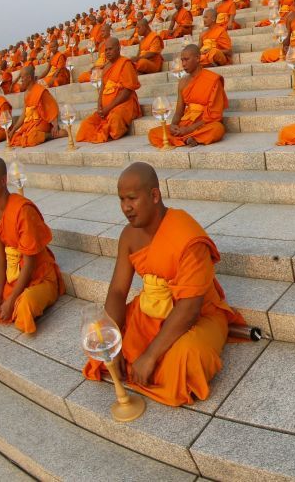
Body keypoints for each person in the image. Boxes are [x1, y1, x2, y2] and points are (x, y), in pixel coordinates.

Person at [82, 163, 246, 406]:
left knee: (185, 360)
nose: (125, 207)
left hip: (199, 315)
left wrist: (150, 356)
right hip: (150, 310)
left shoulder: (187, 235)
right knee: (102, 346)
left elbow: (190, 308)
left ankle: (151, 364)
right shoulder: (129, 235)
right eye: (121, 199)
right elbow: (118, 291)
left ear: (155, 195)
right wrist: (111, 340)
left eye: (132, 198)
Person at [0, 158, 64, 333]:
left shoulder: (23, 210)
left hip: (39, 278)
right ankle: (9, 308)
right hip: (15, 277)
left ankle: (14, 307)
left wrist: (10, 301)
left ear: (3, 181)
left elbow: (30, 262)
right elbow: (0, 259)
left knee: (24, 306)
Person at [149, 45, 227, 148]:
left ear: (198, 58)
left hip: (205, 123)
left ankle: (187, 138)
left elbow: (215, 115)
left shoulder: (213, 80)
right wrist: (173, 125)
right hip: (186, 122)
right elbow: (179, 112)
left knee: (218, 129)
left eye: (186, 60)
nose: (183, 64)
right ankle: (190, 139)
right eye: (182, 60)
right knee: (153, 133)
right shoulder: (182, 82)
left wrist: (189, 130)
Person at [75, 37, 141, 143]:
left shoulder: (125, 63)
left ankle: (104, 131)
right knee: (86, 124)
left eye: (110, 49)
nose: (107, 52)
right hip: (107, 108)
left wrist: (109, 108)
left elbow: (127, 91)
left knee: (115, 120)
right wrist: (99, 106)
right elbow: (102, 89)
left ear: (118, 49)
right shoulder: (106, 67)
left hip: (124, 104)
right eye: (106, 50)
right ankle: (102, 130)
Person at [8, 67, 61, 147]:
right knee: (14, 138)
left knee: (32, 138)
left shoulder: (40, 90)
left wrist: (55, 124)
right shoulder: (26, 94)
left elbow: (52, 107)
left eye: (22, 77)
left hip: (41, 122)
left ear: (29, 78)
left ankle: (49, 135)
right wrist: (13, 129)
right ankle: (41, 136)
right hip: (29, 124)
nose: (21, 80)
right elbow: (23, 115)